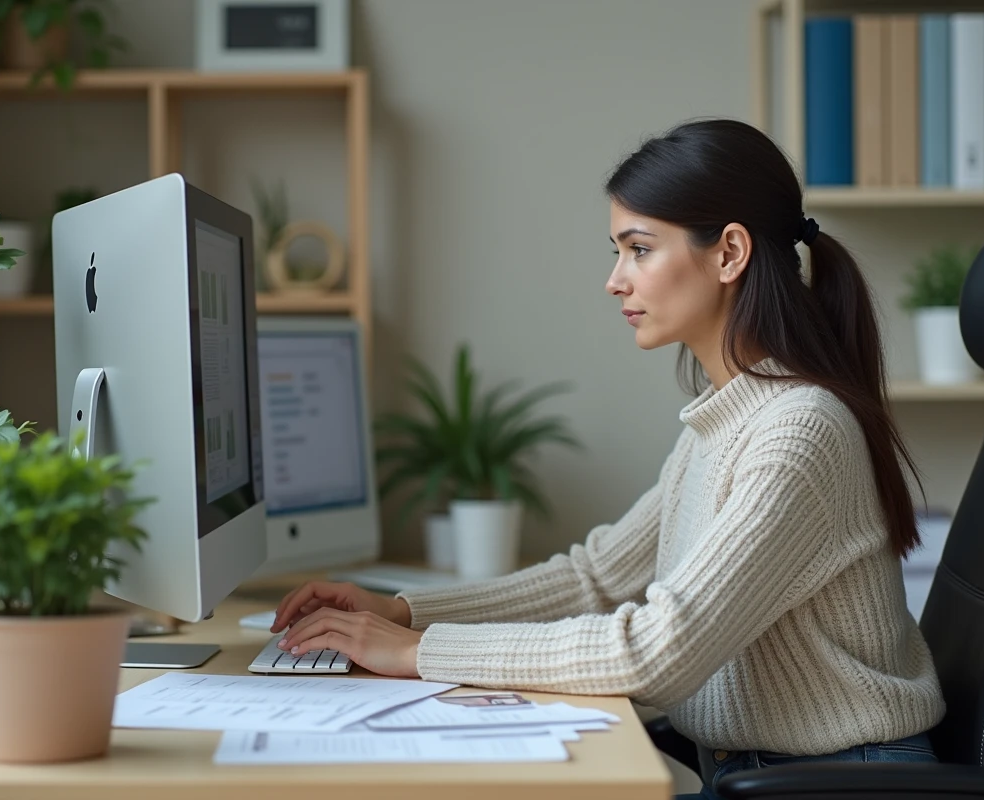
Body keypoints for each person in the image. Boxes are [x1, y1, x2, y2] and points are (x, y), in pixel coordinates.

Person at [270, 118, 946, 799]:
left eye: (639, 250)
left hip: (839, 784)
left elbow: (658, 652)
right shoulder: (728, 421)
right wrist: (404, 614)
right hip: (761, 772)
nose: (616, 281)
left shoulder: (799, 433)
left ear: (729, 253)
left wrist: (420, 655)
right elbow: (596, 579)